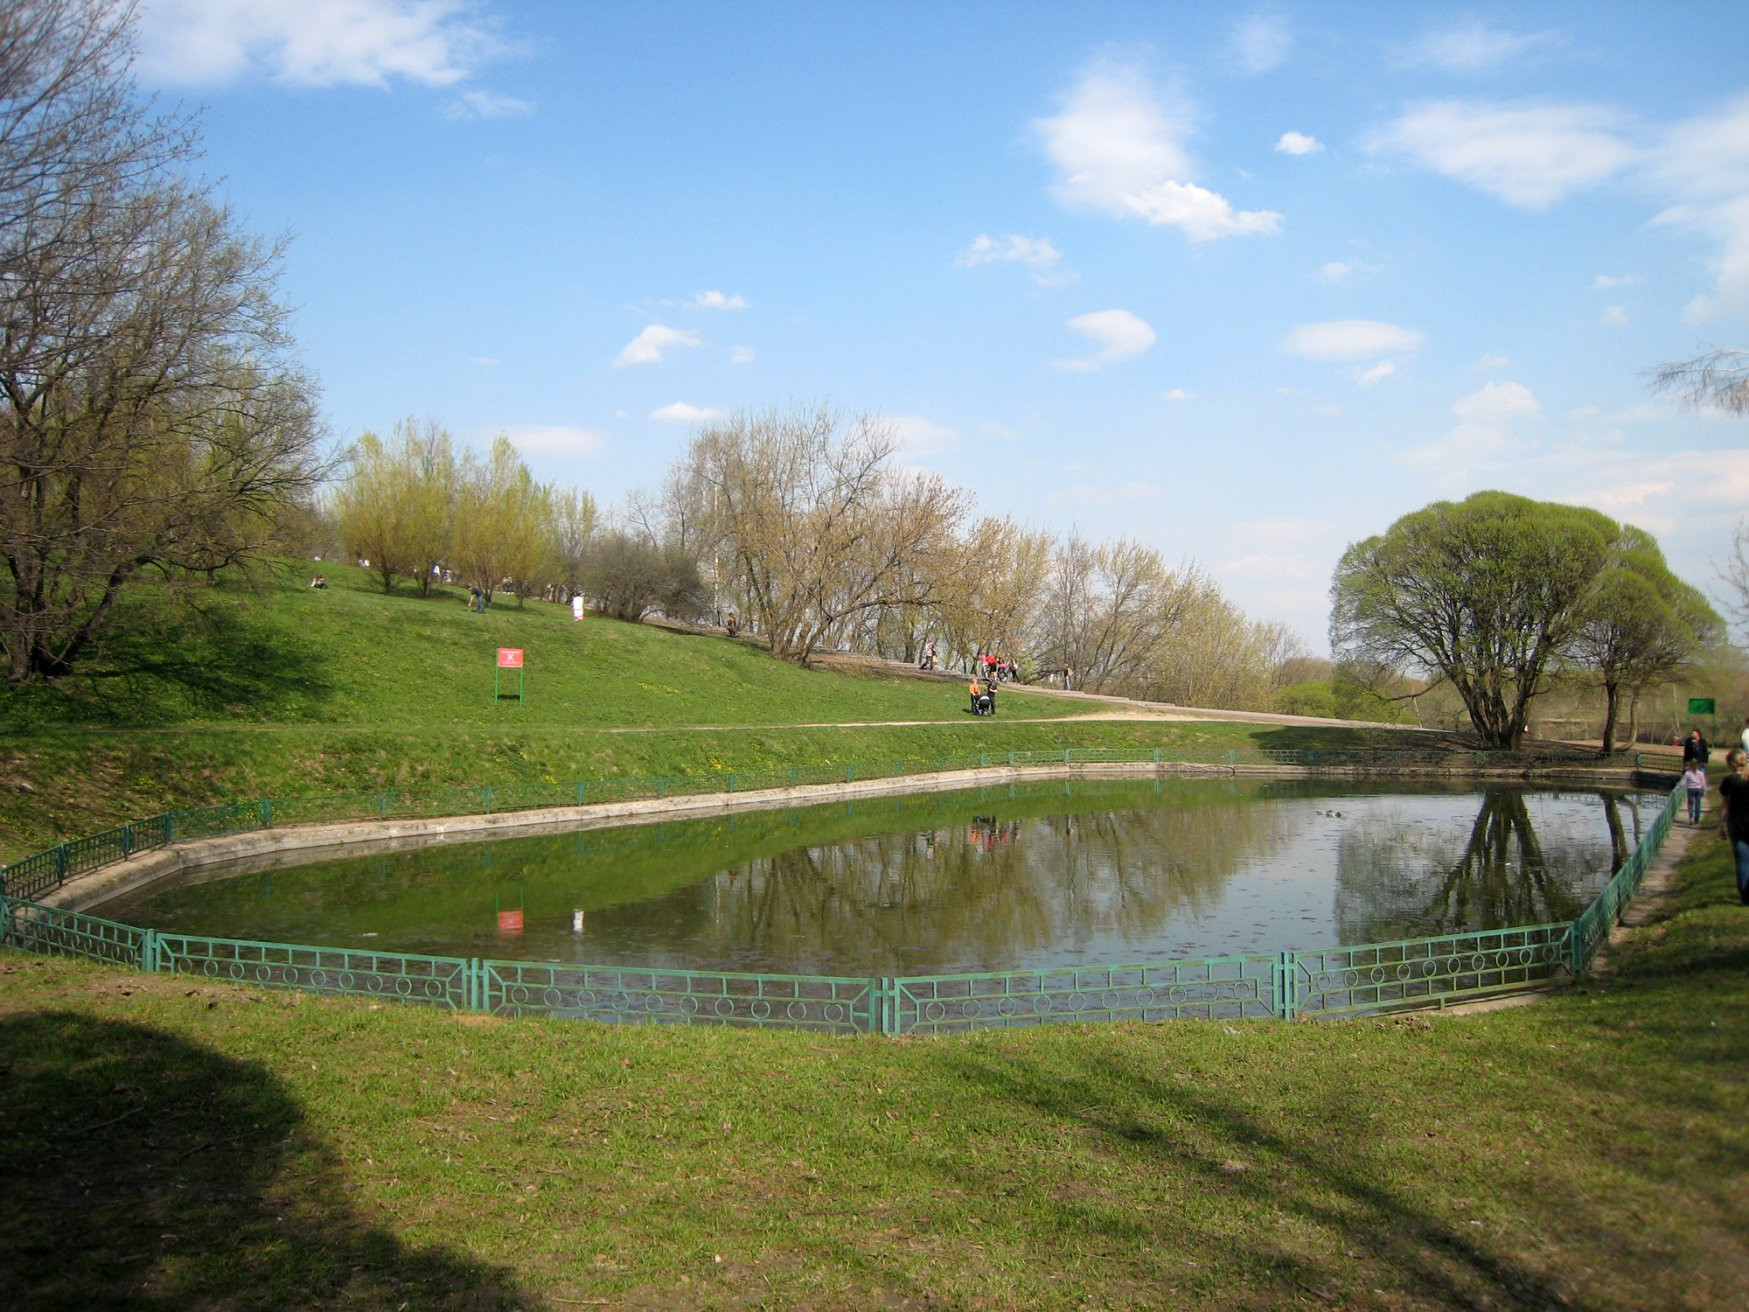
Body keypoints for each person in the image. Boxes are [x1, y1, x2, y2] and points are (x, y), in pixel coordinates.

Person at [1718, 749, 1749, 904]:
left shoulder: (1729, 781)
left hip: (1736, 823)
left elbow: (1725, 807)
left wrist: (1720, 826)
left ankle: (1746, 898)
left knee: (1743, 860)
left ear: (1731, 764)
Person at [1681, 759, 1707, 824]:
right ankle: (1697, 818)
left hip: (1690, 789)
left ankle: (1691, 818)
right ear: (1698, 765)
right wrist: (1704, 790)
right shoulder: (1701, 773)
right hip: (1698, 789)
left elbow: (1683, 783)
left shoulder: (1687, 773)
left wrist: (1677, 789)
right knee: (1698, 804)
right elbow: (1703, 783)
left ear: (1690, 765)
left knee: (1690, 804)